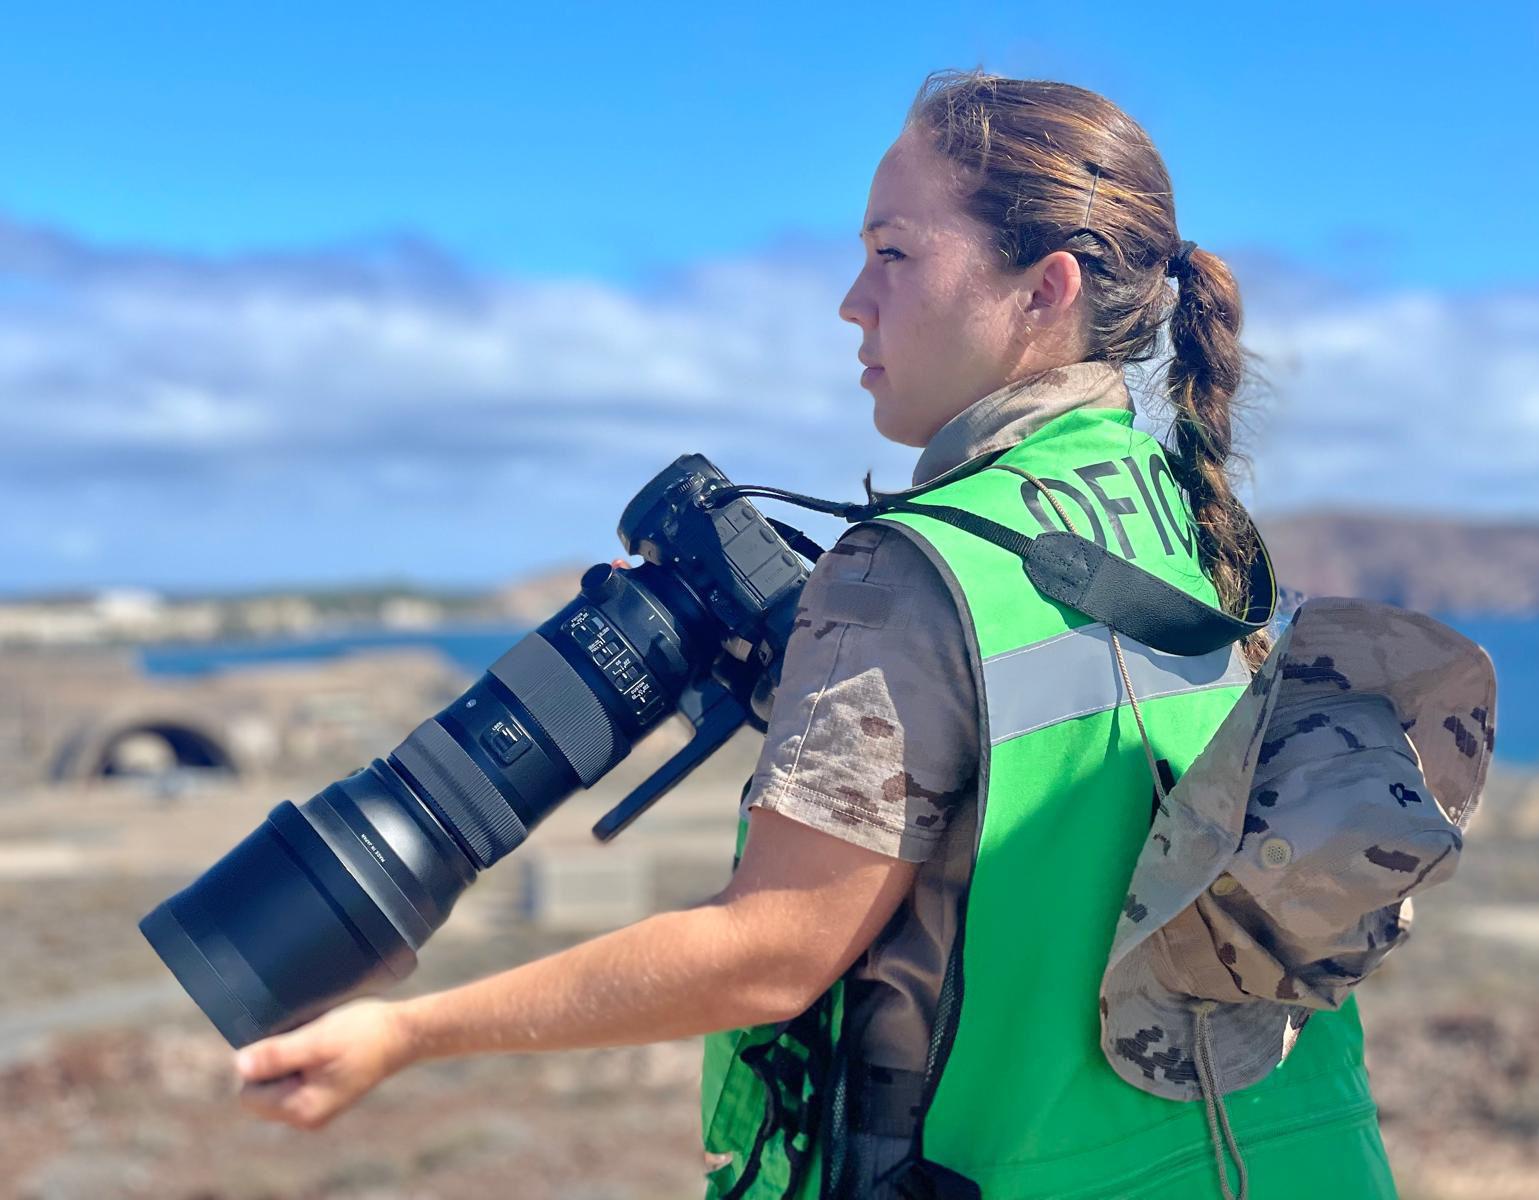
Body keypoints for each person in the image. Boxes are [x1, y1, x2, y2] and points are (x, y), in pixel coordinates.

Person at [234, 69, 1401, 1197]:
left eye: (892, 253)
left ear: (1043, 290)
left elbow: (772, 953)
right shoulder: (1201, 519)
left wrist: (405, 1033)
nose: (853, 301)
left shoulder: (917, 566)